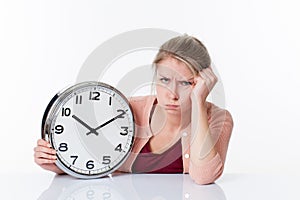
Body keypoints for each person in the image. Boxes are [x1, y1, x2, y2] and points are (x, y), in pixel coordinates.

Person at [34, 34, 233, 185]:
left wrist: (198, 102)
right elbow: (93, 159)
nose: (172, 94)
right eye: (164, 80)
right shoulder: (126, 110)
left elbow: (204, 177)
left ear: (202, 83)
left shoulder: (217, 118)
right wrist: (57, 163)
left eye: (186, 83)